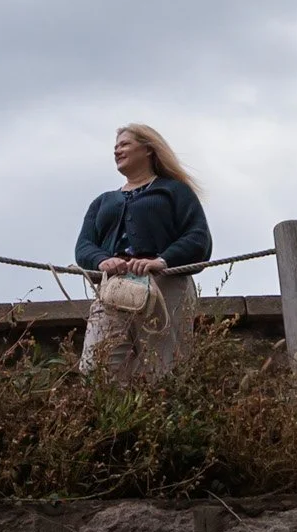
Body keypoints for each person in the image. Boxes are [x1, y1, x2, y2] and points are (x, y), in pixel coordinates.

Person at [74, 123, 211, 379]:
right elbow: (84, 245)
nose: (117, 151)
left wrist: (162, 260)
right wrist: (102, 261)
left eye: (124, 144)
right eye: (115, 147)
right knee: (96, 369)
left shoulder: (174, 191)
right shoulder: (103, 201)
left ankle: (162, 404)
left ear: (148, 149)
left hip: (164, 283)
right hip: (114, 287)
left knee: (165, 367)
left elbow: (198, 238)